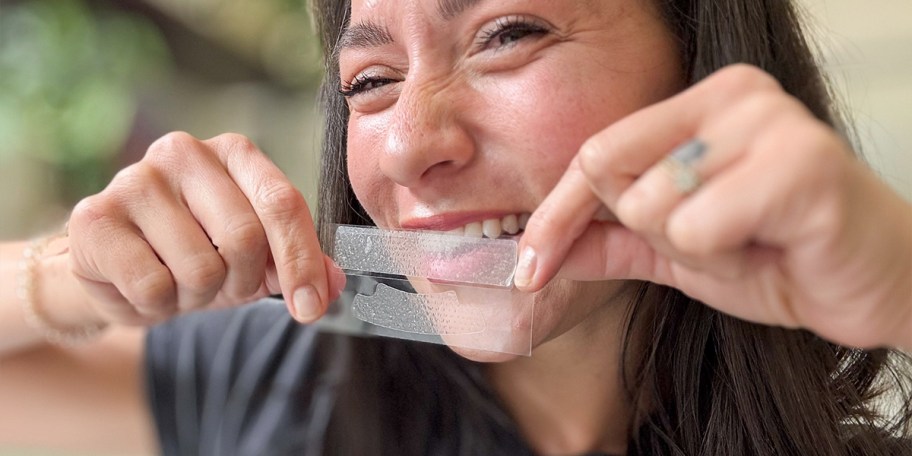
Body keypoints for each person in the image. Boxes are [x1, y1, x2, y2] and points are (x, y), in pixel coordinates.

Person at [1, 0, 910, 454]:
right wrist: (68, 278)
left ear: (702, 56)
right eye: (368, 82)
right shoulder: (273, 376)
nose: (406, 147)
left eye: (507, 33)